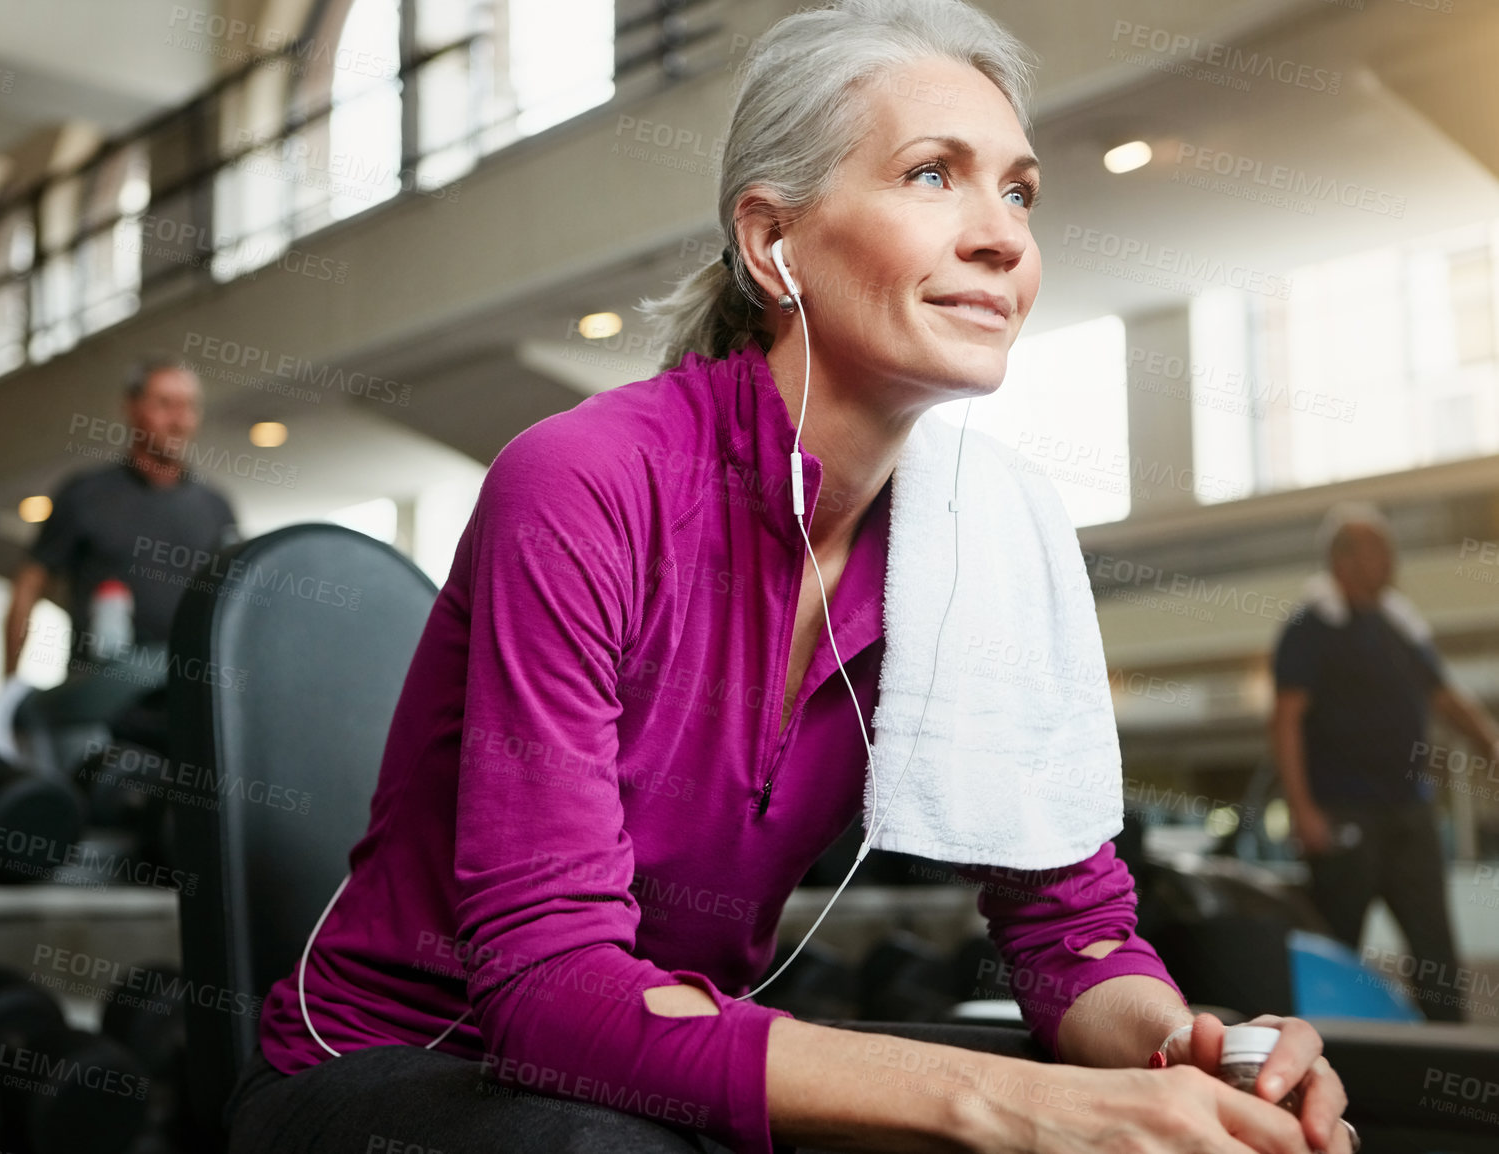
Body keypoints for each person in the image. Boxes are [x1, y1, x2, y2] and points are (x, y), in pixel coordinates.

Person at [230, 3, 1353, 1152]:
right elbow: (550, 995)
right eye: (932, 175)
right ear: (773, 243)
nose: (1003, 237)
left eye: (1018, 191)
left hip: (648, 1079)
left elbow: (1071, 934)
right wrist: (1013, 1106)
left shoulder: (982, 537)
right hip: (399, 1077)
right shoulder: (582, 481)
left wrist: (1191, 1057)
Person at [1272, 503, 1499, 1022]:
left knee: (1435, 949)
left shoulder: (1399, 625)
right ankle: (1322, 1059)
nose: (1391, 560)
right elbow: (1285, 721)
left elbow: (1443, 695)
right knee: (1336, 947)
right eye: (1378, 549)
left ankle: (1449, 1054)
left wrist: (1489, 739)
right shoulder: (1310, 626)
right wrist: (1304, 812)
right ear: (1343, 560)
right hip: (1343, 816)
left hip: (1409, 815)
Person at [3, 356, 238, 677]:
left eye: (189, 407)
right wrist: (10, 688)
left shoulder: (215, 507)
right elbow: (28, 586)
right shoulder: (85, 495)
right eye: (165, 404)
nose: (179, 420)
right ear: (132, 407)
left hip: (186, 697)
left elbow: (237, 604)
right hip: (101, 699)